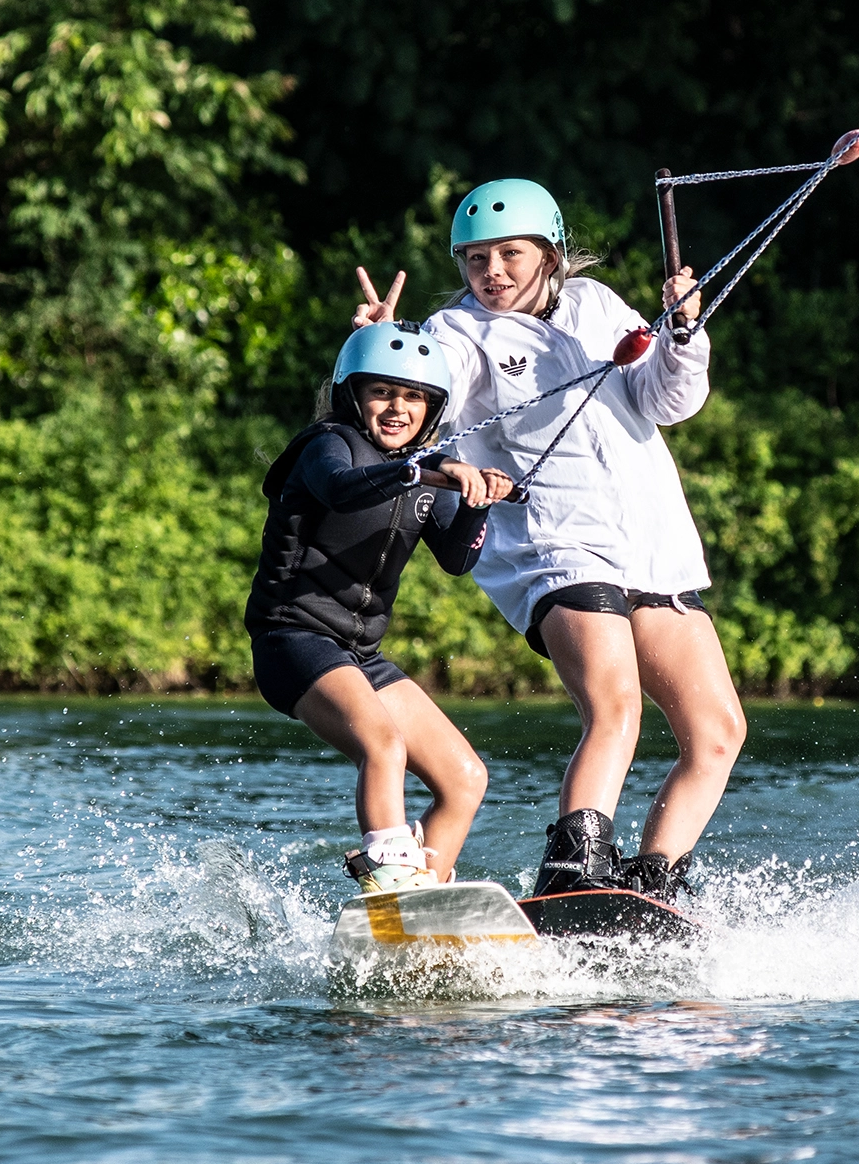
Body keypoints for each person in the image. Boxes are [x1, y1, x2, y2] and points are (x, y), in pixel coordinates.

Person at [351, 179, 747, 902]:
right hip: (554, 545)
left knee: (718, 730)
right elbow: (419, 412)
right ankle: (572, 872)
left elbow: (667, 399)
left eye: (509, 254)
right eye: (474, 259)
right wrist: (381, 351)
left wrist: (683, 333)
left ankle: (650, 885)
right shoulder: (455, 335)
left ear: (552, 253)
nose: (491, 271)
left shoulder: (596, 306)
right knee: (615, 704)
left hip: (650, 545)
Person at [245, 322, 516, 893]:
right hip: (290, 638)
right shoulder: (329, 445)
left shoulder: (426, 470)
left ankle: (427, 900)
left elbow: (457, 559)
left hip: (357, 651)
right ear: (353, 397)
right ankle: (390, 879)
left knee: (465, 777)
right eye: (382, 393)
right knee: (384, 743)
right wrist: (423, 470)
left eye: (414, 397)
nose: (398, 409)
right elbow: (344, 488)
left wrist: (476, 503)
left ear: (432, 407)